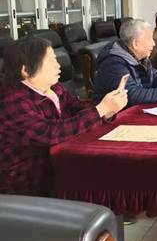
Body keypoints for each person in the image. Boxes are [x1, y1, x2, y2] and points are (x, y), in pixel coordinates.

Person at [0, 36, 128, 196]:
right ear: (25, 71)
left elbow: (76, 108)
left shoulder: (54, 88)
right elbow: (50, 133)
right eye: (51, 62)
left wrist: (107, 111)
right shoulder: (11, 101)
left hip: (60, 166)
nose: (58, 65)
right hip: (28, 186)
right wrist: (99, 110)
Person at [93, 18, 157, 106]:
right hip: (116, 116)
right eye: (150, 39)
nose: (154, 43)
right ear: (135, 44)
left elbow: (154, 78)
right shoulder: (113, 63)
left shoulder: (141, 56)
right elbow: (132, 95)